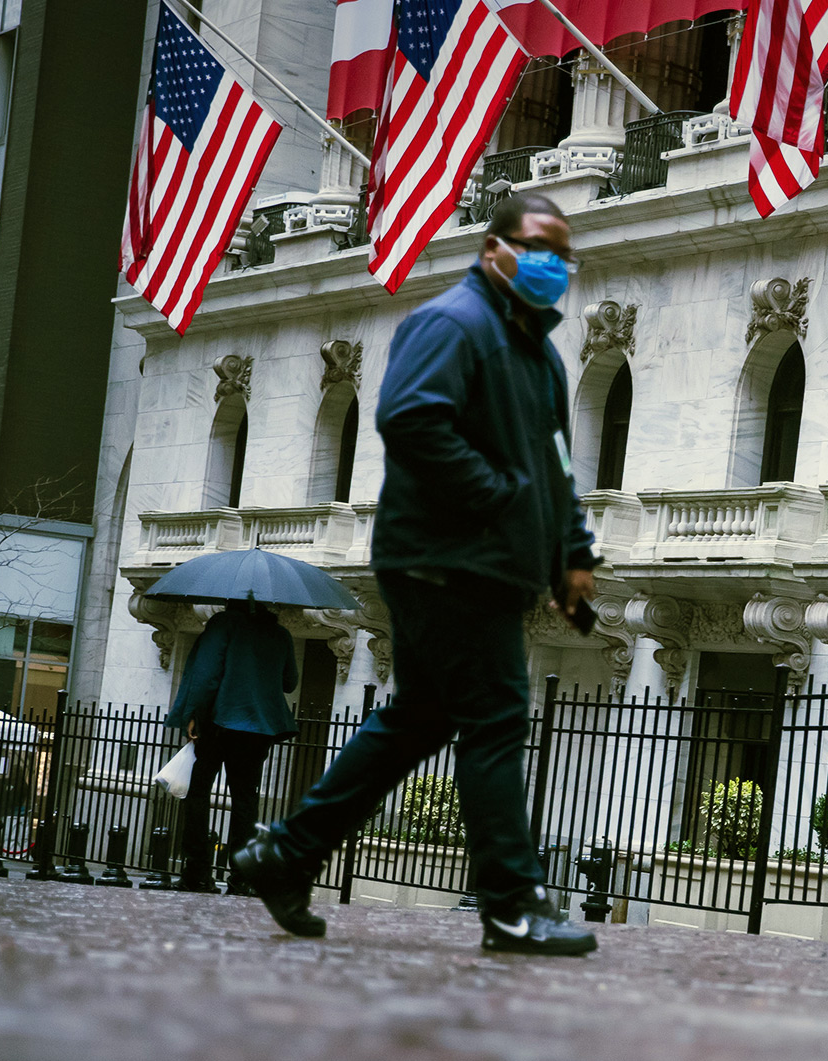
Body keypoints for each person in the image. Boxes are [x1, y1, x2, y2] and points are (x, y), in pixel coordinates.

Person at [232, 192, 600, 956]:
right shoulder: (452, 323)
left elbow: (558, 465)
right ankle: (512, 904)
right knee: (496, 720)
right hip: (444, 561)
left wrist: (573, 555)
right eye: (540, 248)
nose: (555, 265)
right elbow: (410, 419)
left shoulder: (540, 355)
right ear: (495, 249)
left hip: (489, 564)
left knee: (421, 720)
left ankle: (286, 854)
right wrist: (499, 497)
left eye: (564, 255)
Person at [165, 600, 300, 894]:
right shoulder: (280, 633)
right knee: (245, 800)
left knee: (198, 793)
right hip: (258, 729)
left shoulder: (224, 624)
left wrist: (194, 715)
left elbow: (206, 676)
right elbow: (289, 682)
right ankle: (241, 879)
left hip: (219, 722)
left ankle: (197, 873)